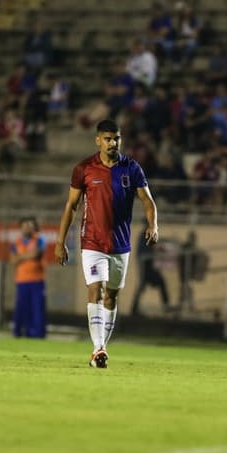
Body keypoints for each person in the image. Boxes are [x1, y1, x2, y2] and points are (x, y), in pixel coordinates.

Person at [54, 119, 159, 369]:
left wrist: (153, 225)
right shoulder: (84, 169)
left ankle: (101, 347)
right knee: (96, 290)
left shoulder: (131, 168)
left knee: (111, 296)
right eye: (108, 138)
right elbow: (71, 206)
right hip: (92, 242)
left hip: (120, 244)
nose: (113, 143)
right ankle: (98, 348)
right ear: (98, 140)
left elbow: (147, 200)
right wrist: (60, 242)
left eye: (117, 138)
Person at [11, 217, 47, 339]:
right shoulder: (16, 242)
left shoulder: (39, 239)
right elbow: (13, 260)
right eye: (25, 226)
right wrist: (27, 256)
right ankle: (22, 333)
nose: (27, 228)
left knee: (37, 309)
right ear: (20, 228)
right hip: (22, 280)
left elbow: (36, 254)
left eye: (29, 226)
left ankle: (39, 334)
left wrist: (20, 257)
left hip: (37, 280)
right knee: (23, 308)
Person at [131, 221, 170, 316]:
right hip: (146, 267)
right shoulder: (144, 235)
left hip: (148, 266)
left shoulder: (147, 234)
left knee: (151, 285)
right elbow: (146, 251)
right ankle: (134, 309)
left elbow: (154, 245)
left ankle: (134, 309)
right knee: (145, 285)